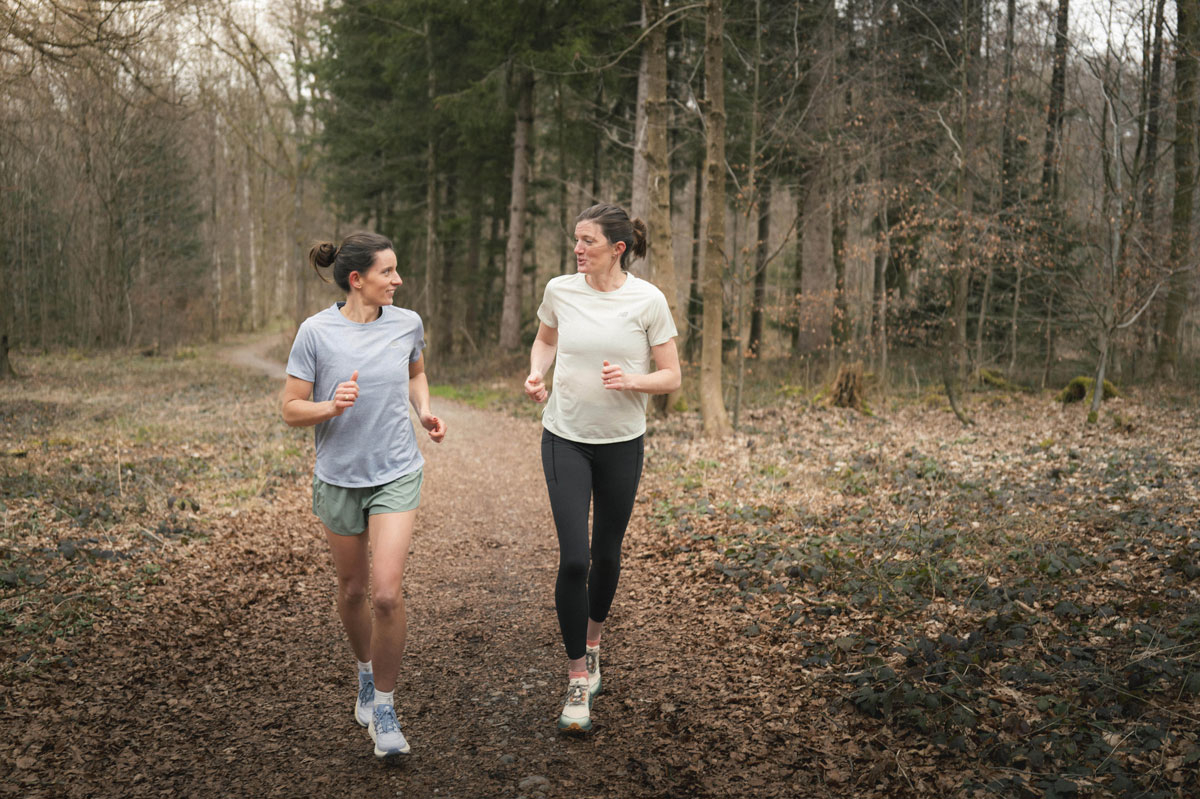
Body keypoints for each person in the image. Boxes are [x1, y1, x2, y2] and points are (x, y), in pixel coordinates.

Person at [281, 232, 446, 760]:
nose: (398, 281)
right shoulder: (315, 333)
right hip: (338, 476)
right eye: (388, 273)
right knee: (352, 590)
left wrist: (423, 413)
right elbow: (289, 408)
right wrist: (330, 406)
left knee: (385, 593)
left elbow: (417, 376)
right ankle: (365, 675)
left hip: (396, 470)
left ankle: (386, 708)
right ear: (358, 280)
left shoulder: (407, 323)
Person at [523, 203, 681, 733]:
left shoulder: (648, 300)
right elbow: (545, 340)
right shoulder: (560, 290)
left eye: (587, 241)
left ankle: (593, 644)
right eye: (575, 240)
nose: (577, 249)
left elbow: (672, 376)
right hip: (565, 437)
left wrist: (631, 381)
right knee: (573, 560)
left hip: (622, 443)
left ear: (617, 248)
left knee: (605, 553)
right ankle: (574, 679)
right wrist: (535, 374)